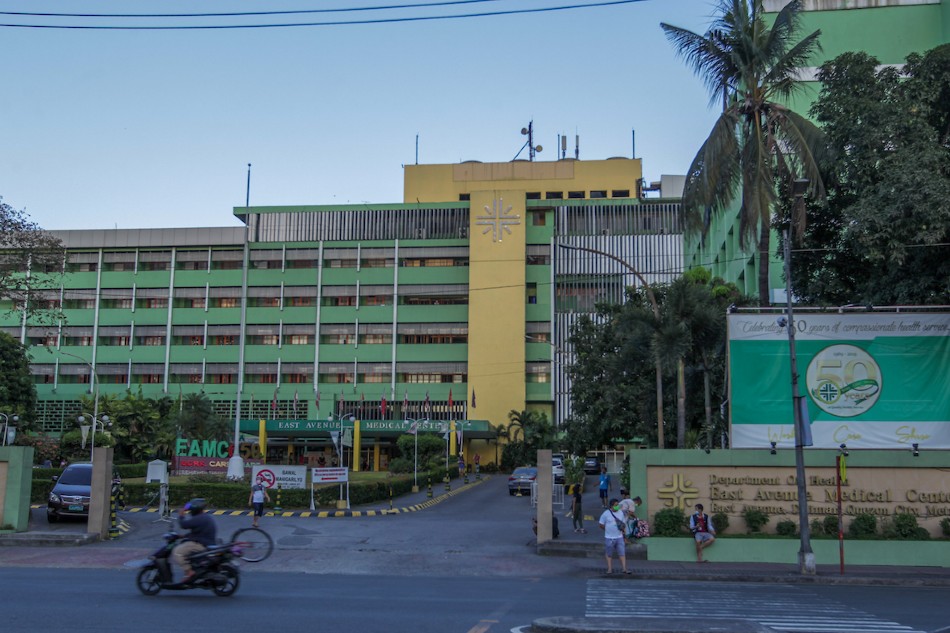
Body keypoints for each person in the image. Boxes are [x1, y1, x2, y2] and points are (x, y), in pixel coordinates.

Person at [172, 498, 218, 582]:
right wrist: (182, 536)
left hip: (201, 544)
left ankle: (189, 571)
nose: (190, 512)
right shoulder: (204, 517)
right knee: (185, 544)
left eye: (190, 510)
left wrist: (181, 515)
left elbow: (184, 525)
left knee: (177, 551)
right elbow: (197, 532)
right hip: (204, 541)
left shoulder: (199, 518)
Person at [598, 498, 630, 574]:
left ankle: (624, 568)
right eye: (616, 505)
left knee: (622, 553)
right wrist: (608, 530)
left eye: (618, 505)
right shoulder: (606, 514)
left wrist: (624, 536)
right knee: (609, 553)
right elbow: (601, 524)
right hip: (609, 538)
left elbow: (622, 525)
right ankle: (609, 569)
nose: (617, 506)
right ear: (611, 506)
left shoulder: (621, 513)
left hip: (619, 537)